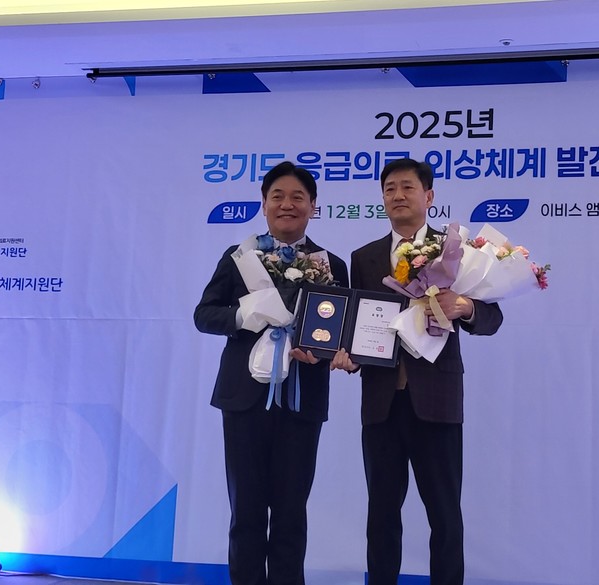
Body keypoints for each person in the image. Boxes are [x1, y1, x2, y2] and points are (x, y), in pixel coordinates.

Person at [331, 158, 504, 585]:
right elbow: (362, 323)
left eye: (407, 187)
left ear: (429, 196)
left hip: (437, 402)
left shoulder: (457, 251)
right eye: (390, 188)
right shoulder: (365, 257)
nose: (398, 195)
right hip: (381, 403)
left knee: (444, 514)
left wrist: (465, 306)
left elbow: (492, 317)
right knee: (381, 514)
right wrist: (349, 354)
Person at [194, 161, 348, 585]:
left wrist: (325, 353)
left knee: (291, 513)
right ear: (264, 204)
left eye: (298, 197)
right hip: (244, 399)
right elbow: (204, 315)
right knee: (246, 512)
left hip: (302, 399)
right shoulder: (239, 258)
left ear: (313, 206)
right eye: (277, 196)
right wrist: (247, 315)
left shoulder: (331, 264)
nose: (287, 204)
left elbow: (339, 333)